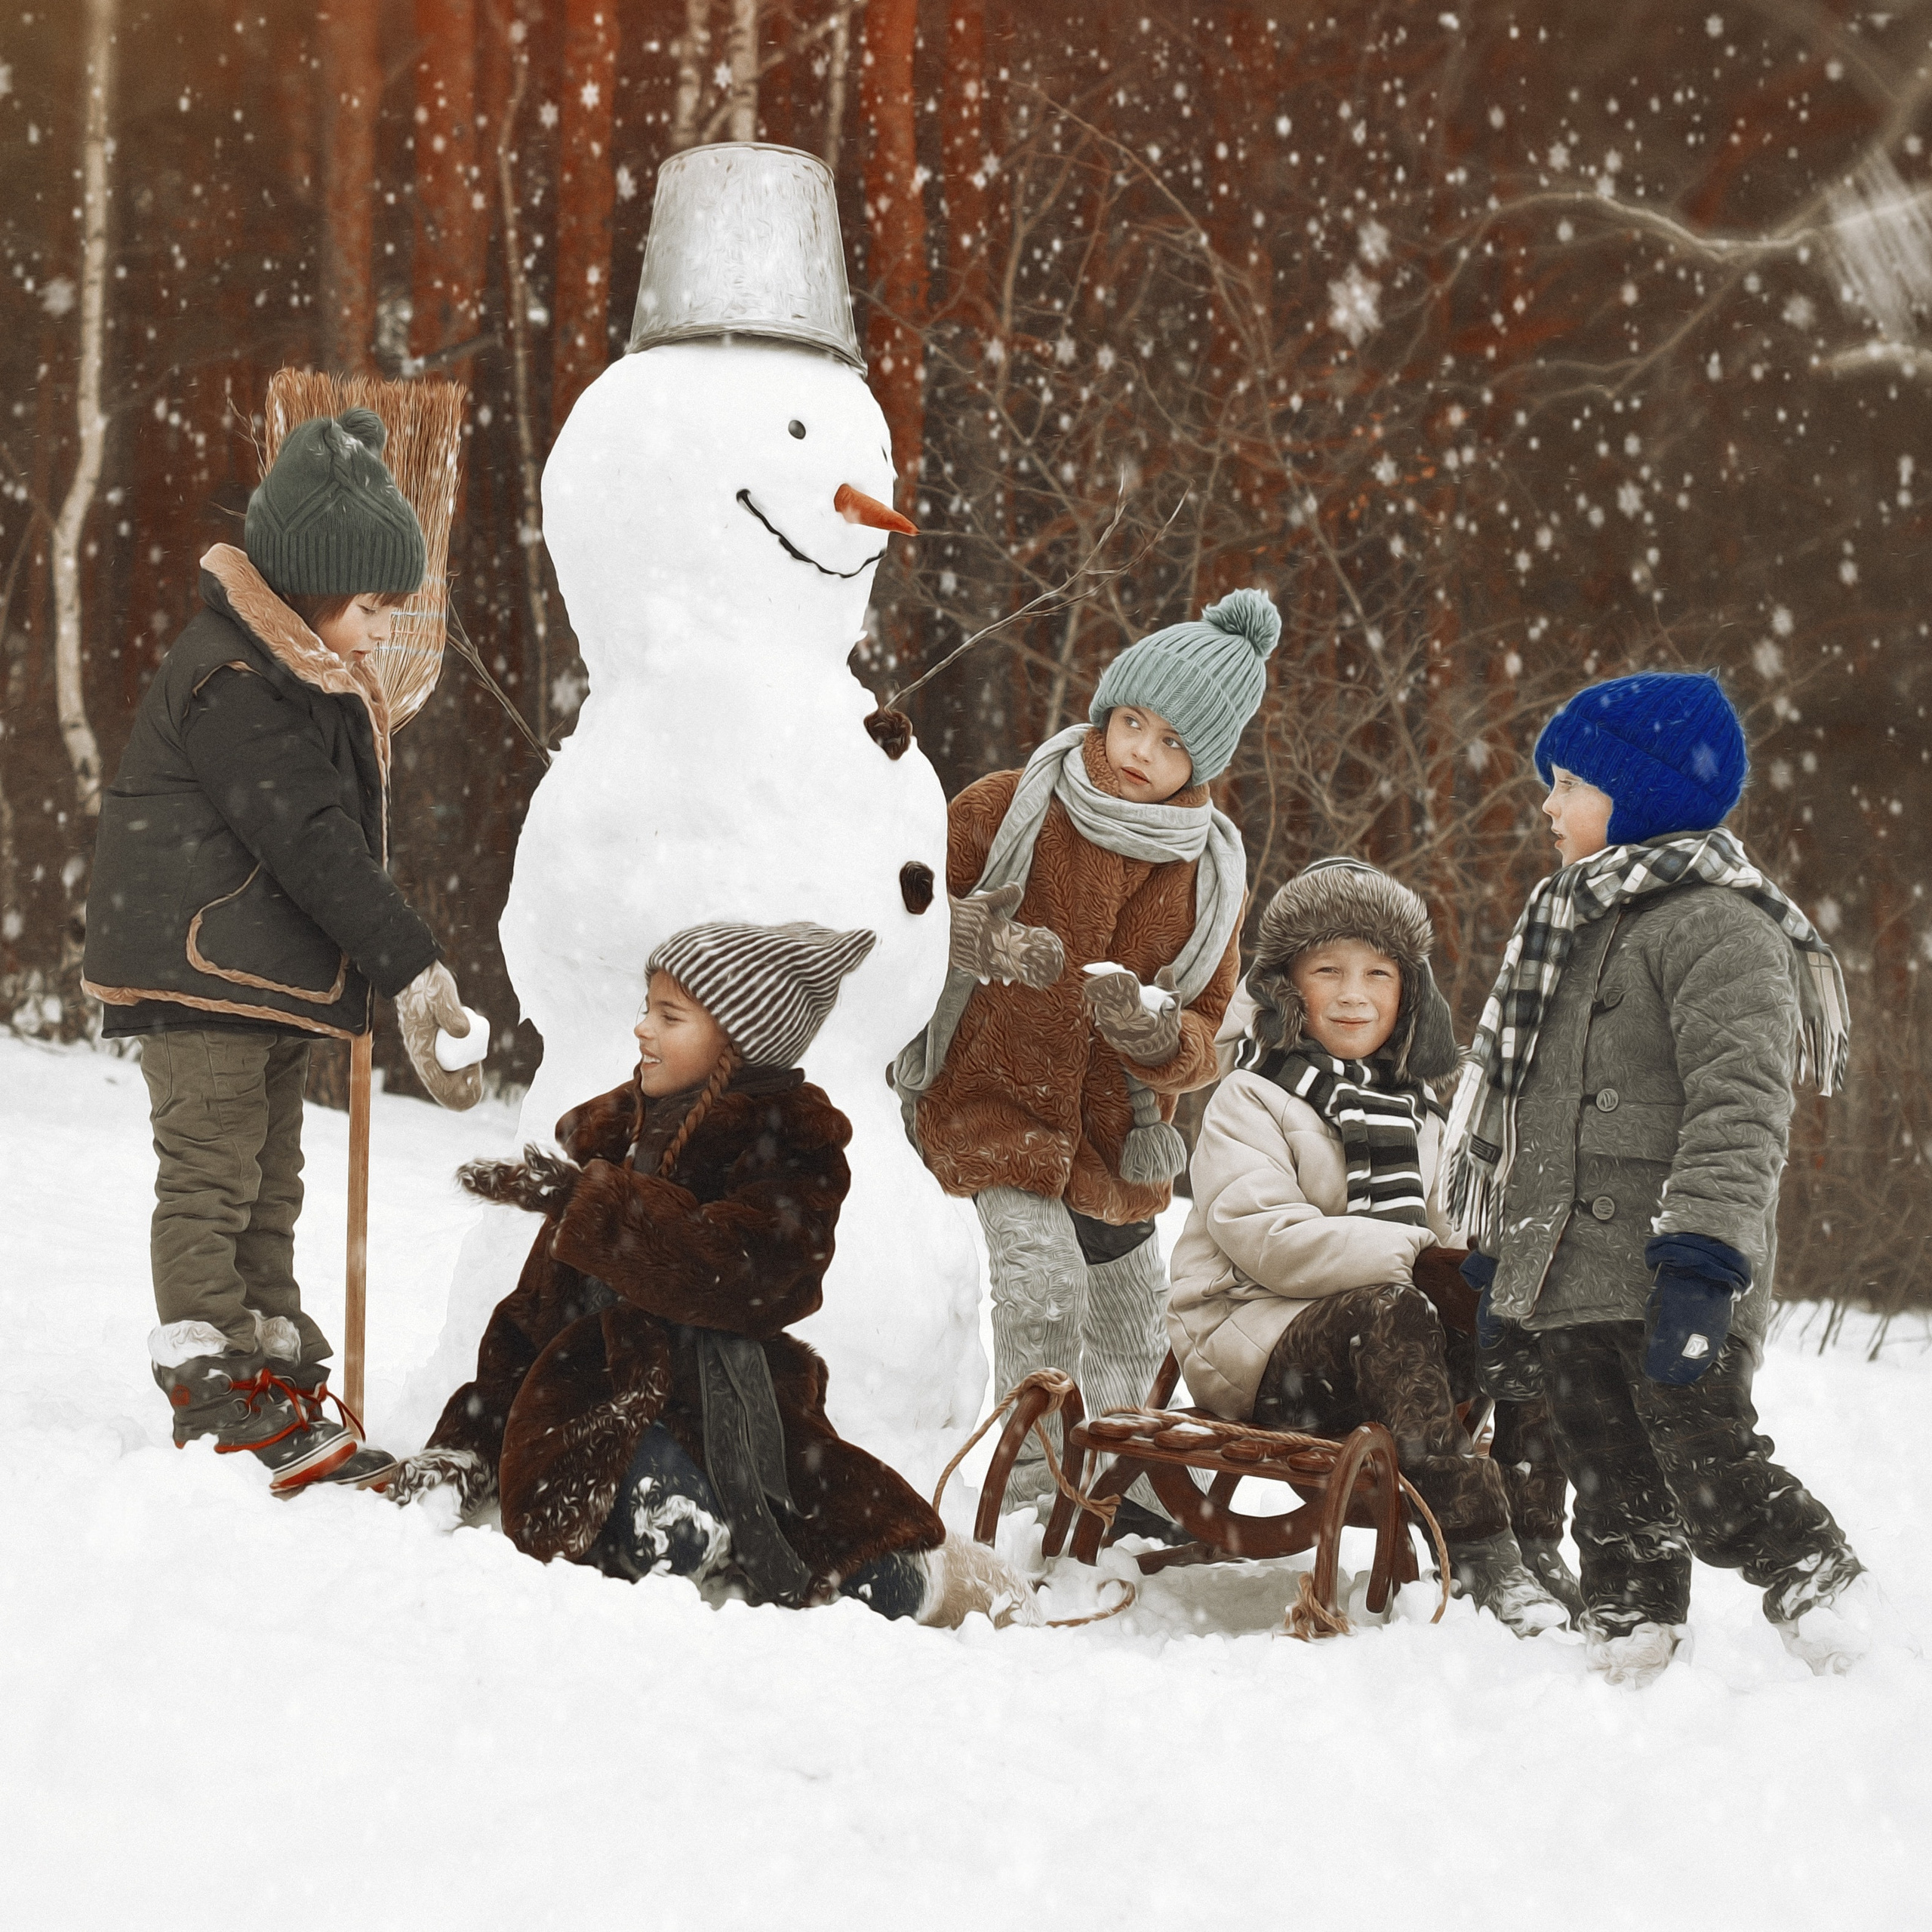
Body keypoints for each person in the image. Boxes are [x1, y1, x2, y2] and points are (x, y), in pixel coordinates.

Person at [395, 920, 1038, 1629]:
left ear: (740, 1038)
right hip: (604, 1402)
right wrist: (465, 1445)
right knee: (624, 1520)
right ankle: (690, 1538)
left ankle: (929, 1582)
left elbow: (743, 1271)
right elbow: (533, 1318)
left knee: (830, 1546)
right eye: (646, 1008)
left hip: (734, 1411)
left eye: (669, 1016)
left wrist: (601, 1210)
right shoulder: (625, 1139)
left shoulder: (792, 1148)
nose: (642, 1029)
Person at [1444, 669, 1879, 1684]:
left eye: (1568, 784)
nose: (1547, 806)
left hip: (1671, 1263)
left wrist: (1702, 1260)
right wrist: (1505, 1263)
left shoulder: (1724, 930)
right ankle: (1630, 1629)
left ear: (1636, 796)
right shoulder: (1566, 929)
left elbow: (1740, 1112)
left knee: (1705, 1455)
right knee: (1607, 1473)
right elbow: (1537, 1122)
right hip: (1573, 1270)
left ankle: (1830, 1594)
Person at [83, 408, 482, 1495]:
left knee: (271, 1181)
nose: (374, 632)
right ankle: (211, 1372)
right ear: (307, 594)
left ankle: (273, 1363)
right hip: (198, 972)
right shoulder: (233, 680)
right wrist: (409, 961)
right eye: (364, 608)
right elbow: (308, 839)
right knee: (213, 1172)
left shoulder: (291, 675)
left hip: (255, 977)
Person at [895, 591, 1278, 1533]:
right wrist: (981, 940)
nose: (1139, 751)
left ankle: (1118, 1485)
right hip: (988, 1104)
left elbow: (1209, 1030)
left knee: (1134, 1317)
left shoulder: (1209, 876)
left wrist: (1153, 1033)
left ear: (1206, 764)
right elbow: (902, 917)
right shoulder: (1004, 805)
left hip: (1113, 1145)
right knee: (1041, 1285)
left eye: (1172, 743)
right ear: (1105, 708)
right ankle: (1028, 1494)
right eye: (1131, 721)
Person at [1166, 859, 1572, 1635]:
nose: (1354, 994)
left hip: (1392, 1352)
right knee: (1392, 1306)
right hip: (1259, 1344)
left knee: (1527, 1306)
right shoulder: (1251, 1097)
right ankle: (1478, 1544)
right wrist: (1414, 1260)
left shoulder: (1420, 1116)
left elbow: (1450, 1236)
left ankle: (1533, 1535)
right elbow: (1267, 1239)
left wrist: (1488, 1269)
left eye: (1377, 974)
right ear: (1290, 988)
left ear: (1407, 992)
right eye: (1328, 970)